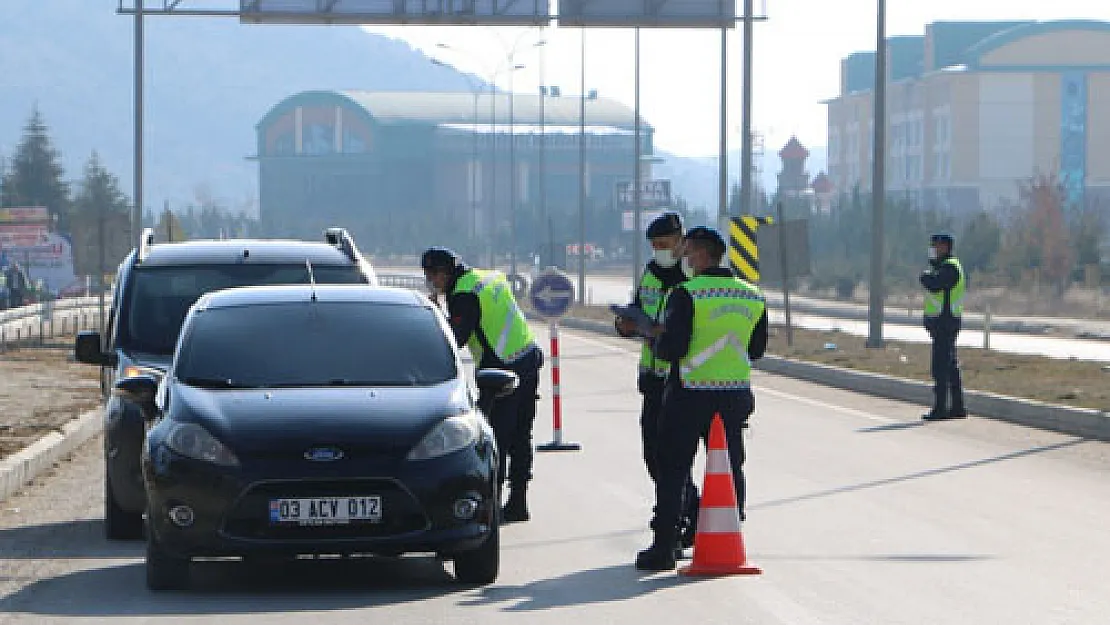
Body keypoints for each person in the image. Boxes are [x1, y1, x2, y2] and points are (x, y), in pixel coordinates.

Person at [635, 226, 769, 571]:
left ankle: (665, 546)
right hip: (734, 395)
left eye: (690, 251)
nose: (686, 258)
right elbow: (756, 350)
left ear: (704, 254)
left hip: (690, 394)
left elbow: (672, 349)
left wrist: (653, 339)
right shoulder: (753, 296)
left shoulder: (687, 294)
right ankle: (728, 533)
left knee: (674, 468)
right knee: (729, 466)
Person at [421, 247, 544, 523]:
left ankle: (493, 503)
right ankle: (519, 502)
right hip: (527, 357)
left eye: (434, 276)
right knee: (521, 437)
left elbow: (456, 339)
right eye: (428, 276)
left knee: (496, 438)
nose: (432, 282)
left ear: (447, 272)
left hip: (501, 370)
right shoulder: (485, 278)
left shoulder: (463, 295)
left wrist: (436, 316)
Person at [614, 211, 701, 552]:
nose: (658, 251)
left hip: (681, 379)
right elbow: (638, 309)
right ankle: (690, 509)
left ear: (681, 241)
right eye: (654, 245)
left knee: (672, 460)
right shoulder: (650, 273)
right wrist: (626, 324)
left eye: (664, 244)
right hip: (652, 377)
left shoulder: (692, 275)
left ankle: (675, 523)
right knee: (654, 456)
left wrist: (664, 332)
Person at [919, 233, 968, 421]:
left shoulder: (950, 268)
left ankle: (940, 409)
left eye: (937, 246)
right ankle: (957, 407)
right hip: (944, 322)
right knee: (950, 366)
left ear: (946, 247)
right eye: (933, 245)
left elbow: (936, 285)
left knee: (940, 367)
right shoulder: (943, 267)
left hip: (945, 322)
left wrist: (925, 277)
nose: (934, 249)